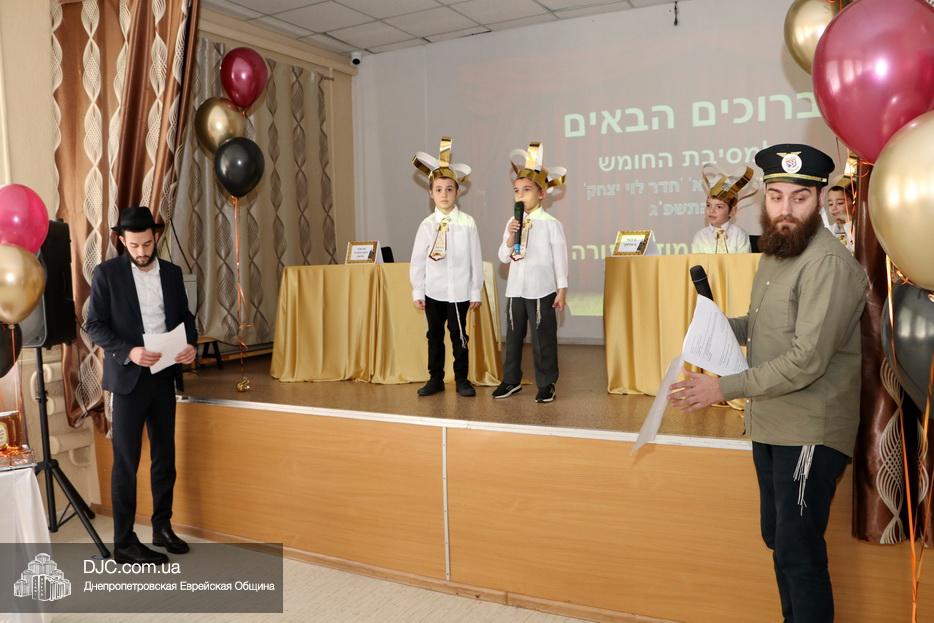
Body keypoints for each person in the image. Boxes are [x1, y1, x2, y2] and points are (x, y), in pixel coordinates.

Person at [669, 144, 867, 621]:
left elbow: (806, 360)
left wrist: (722, 388)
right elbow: (764, 327)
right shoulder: (778, 253)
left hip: (810, 428)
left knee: (798, 551)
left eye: (799, 198)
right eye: (776, 197)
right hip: (772, 421)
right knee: (779, 540)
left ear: (818, 199)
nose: (785, 209)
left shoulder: (826, 263)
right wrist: (717, 327)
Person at [85, 206, 198, 564]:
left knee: (165, 457)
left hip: (164, 374)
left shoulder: (172, 273)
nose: (141, 251)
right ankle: (123, 542)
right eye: (134, 245)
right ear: (122, 240)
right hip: (128, 379)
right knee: (126, 462)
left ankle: (162, 527)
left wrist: (190, 345)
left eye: (147, 244)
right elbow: (94, 325)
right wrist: (129, 351)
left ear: (155, 236)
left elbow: (185, 318)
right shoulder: (106, 274)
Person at [492, 142, 568, 403]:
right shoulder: (512, 222)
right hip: (516, 289)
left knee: (542, 339)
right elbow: (503, 257)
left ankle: (546, 383)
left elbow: (560, 259)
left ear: (541, 193)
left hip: (541, 289)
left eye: (527, 190)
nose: (521, 195)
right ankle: (511, 380)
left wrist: (561, 289)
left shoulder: (551, 224)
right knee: (513, 337)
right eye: (516, 191)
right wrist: (510, 236)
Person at [409, 137, 483, 398]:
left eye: (449, 189)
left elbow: (475, 258)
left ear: (458, 192)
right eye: (439, 189)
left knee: (460, 336)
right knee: (434, 335)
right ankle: (435, 378)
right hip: (434, 291)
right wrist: (418, 290)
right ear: (430, 193)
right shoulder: (427, 225)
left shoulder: (467, 223)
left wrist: (475, 290)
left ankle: (462, 379)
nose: (444, 194)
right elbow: (418, 260)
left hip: (459, 291)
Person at [690, 164, 754, 254]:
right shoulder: (700, 237)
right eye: (708, 205)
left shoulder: (739, 235)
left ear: (732, 211)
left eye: (719, 206)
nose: (712, 210)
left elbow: (745, 261)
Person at [825, 184, 855, 253]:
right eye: (830, 204)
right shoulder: (829, 231)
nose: (834, 208)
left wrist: (848, 220)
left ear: (853, 205)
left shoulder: (860, 228)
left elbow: (856, 248)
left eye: (840, 203)